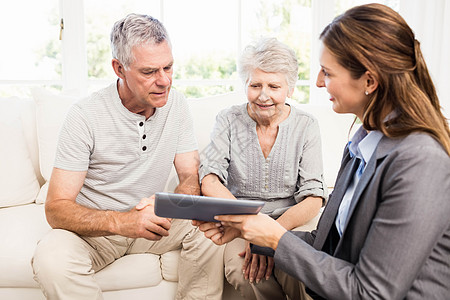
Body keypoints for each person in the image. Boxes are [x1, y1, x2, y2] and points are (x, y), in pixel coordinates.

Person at [194, 3, 450, 299]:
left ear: (369, 80)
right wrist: (247, 230)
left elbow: (370, 293)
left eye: (327, 72)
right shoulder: (360, 145)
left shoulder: (420, 161)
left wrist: (275, 236)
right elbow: (327, 242)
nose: (316, 82)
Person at [32, 13, 224, 300]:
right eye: (149, 72)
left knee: (213, 224)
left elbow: (188, 177)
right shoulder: (85, 116)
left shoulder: (178, 105)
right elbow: (56, 208)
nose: (164, 81)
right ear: (119, 68)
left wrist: (170, 207)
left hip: (156, 223)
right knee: (51, 259)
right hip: (96, 234)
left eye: (168, 67)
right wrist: (122, 223)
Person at [199, 37, 327, 300]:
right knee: (245, 272)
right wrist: (250, 226)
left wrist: (271, 235)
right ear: (245, 85)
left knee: (299, 272)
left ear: (290, 88)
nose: (263, 95)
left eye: (274, 86)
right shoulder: (227, 120)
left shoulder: (306, 126)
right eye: (255, 85)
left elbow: (314, 196)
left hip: (290, 223)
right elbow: (209, 179)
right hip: (240, 222)